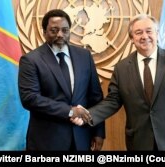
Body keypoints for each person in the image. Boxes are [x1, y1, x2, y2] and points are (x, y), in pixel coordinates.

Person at [72, 13, 165, 151]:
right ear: (132, 38)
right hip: (139, 142)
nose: (145, 36)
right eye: (138, 33)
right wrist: (87, 116)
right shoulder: (121, 68)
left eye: (149, 31)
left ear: (157, 33)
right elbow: (112, 102)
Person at [18, 9, 105, 151]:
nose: (60, 34)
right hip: (46, 141)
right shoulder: (31, 60)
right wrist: (70, 111)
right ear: (44, 32)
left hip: (81, 138)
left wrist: (99, 132)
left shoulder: (84, 56)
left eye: (65, 30)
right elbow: (30, 98)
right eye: (54, 30)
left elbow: (95, 97)